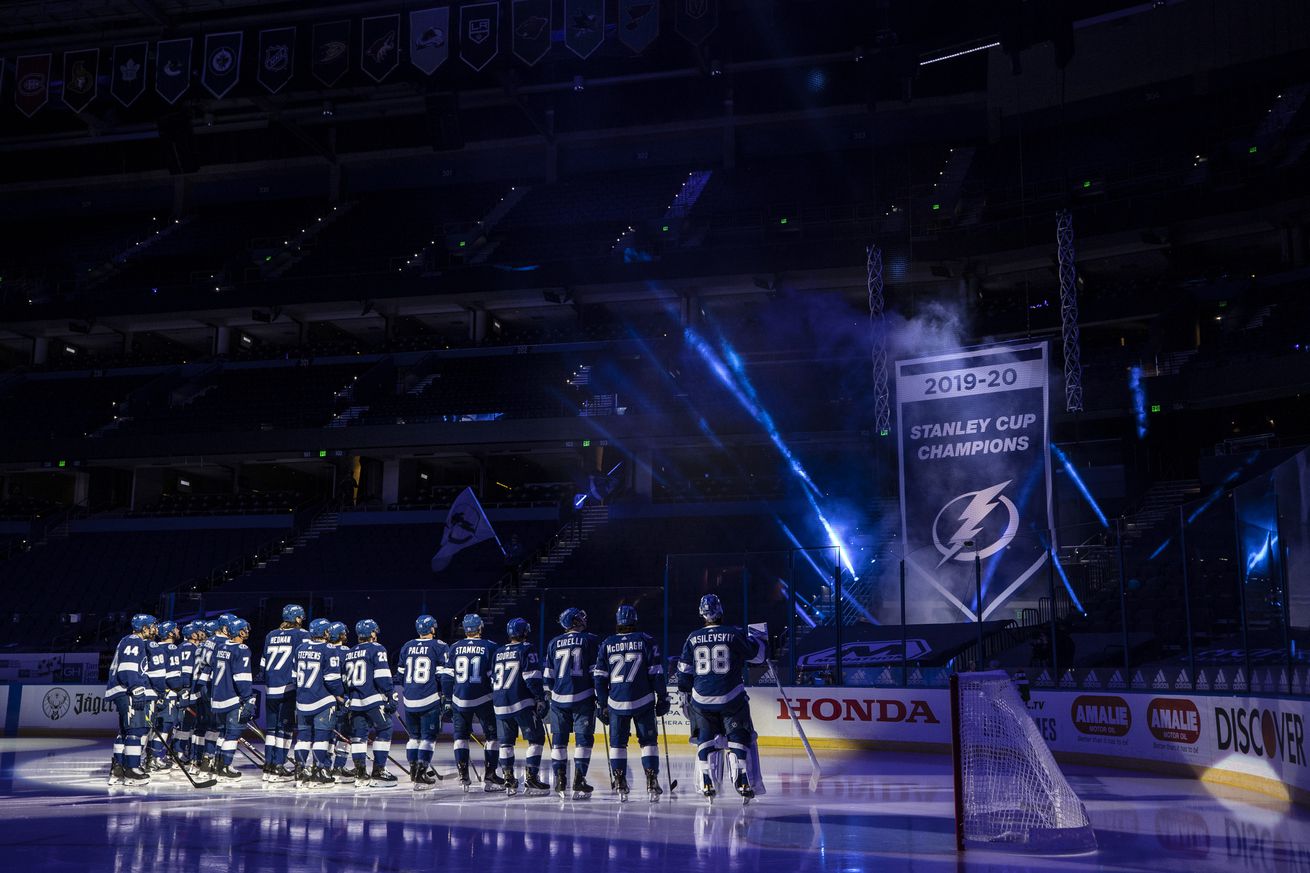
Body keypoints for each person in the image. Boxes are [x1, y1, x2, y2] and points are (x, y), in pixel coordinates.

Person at [675, 593, 767, 798]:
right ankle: (742, 779)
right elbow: (758, 656)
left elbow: (683, 670)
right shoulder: (733, 634)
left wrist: (684, 693)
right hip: (730, 696)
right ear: (721, 610)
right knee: (738, 737)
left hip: (701, 698)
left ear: (701, 613)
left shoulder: (692, 637)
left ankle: (706, 781)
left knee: (705, 739)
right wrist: (759, 639)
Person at [593, 604, 668, 802]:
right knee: (648, 742)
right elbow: (656, 672)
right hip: (643, 700)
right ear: (635, 619)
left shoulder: (607, 643)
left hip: (616, 702)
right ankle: (651, 780)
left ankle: (619, 781)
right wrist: (663, 696)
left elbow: (600, 677)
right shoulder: (646, 640)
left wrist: (602, 703)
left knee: (618, 744)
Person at [441, 614, 503, 792]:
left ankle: (463, 777)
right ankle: (490, 776)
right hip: (485, 698)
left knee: (460, 738)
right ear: (480, 628)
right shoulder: (491, 646)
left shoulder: (454, 647)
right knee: (492, 737)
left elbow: (447, 677)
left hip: (460, 700)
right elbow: (495, 676)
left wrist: (447, 699)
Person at [544, 607, 600, 799]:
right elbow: (595, 672)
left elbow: (548, 677)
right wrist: (600, 695)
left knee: (559, 742)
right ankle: (579, 780)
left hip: (559, 699)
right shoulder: (590, 640)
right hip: (583, 697)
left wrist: (553, 693)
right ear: (575, 621)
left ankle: (560, 781)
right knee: (583, 740)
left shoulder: (553, 642)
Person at [492, 617, 550, 796]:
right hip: (521, 702)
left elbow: (492, 678)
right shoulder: (527, 648)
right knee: (536, 739)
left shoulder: (498, 652)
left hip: (500, 703)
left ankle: (508, 779)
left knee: (506, 743)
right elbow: (531, 677)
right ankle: (531, 778)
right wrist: (540, 698)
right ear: (524, 631)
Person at [396, 614, 448, 790]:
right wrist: (445, 695)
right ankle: (421, 773)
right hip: (429, 698)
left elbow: (400, 676)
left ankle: (413, 771)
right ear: (432, 628)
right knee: (428, 738)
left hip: (410, 699)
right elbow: (442, 676)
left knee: (413, 738)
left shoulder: (407, 646)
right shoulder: (439, 646)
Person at [293, 618, 346, 787]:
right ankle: (319, 771)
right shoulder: (328, 649)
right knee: (321, 738)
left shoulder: (300, 648)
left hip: (302, 700)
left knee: (303, 739)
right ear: (325, 632)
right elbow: (332, 679)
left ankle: (300, 771)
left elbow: (294, 676)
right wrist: (340, 696)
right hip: (322, 700)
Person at [345, 618, 398, 787]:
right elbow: (382, 676)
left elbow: (345, 680)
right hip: (372, 700)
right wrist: (390, 695)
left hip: (355, 701)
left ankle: (360, 773)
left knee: (358, 737)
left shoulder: (350, 652)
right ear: (372, 633)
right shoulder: (377, 648)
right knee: (385, 728)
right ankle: (379, 770)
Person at [105, 613, 156, 786]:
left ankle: (118, 769)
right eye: (152, 626)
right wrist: (137, 688)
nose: (154, 629)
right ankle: (132, 771)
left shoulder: (126, 640)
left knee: (125, 731)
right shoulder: (135, 640)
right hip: (127, 691)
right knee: (136, 729)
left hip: (121, 690)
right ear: (144, 627)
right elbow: (128, 668)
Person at [260, 603, 308, 783]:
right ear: (297, 618)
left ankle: (269, 765)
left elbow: (263, 664)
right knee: (285, 729)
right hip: (288, 687)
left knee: (272, 730)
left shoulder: (270, 635)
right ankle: (278, 765)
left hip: (270, 687)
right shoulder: (302, 635)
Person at [208, 616, 255, 781]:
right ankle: (225, 767)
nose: (247, 631)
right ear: (239, 631)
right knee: (232, 734)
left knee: (222, 733)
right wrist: (248, 698)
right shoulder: (241, 649)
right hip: (232, 698)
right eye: (245, 629)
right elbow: (241, 677)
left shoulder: (220, 646)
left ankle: (218, 765)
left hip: (217, 697)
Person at [147, 620, 184, 772]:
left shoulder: (153, 647)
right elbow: (173, 677)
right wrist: (180, 690)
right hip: (167, 693)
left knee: (154, 727)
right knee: (165, 725)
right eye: (174, 629)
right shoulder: (171, 648)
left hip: (153, 693)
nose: (177, 631)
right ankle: (154, 758)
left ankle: (150, 757)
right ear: (169, 633)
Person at [327, 621, 356, 783]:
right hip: (343, 698)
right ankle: (338, 767)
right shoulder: (348, 652)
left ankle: (325, 766)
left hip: (325, 699)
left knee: (328, 734)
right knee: (345, 733)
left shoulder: (324, 649)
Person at [172, 622, 201, 766]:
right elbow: (187, 672)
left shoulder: (180, 647)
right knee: (186, 723)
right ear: (192, 635)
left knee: (183, 723)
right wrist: (187, 690)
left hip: (180, 689)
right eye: (197, 632)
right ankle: (179, 752)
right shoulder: (191, 648)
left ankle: (179, 751)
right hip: (187, 689)